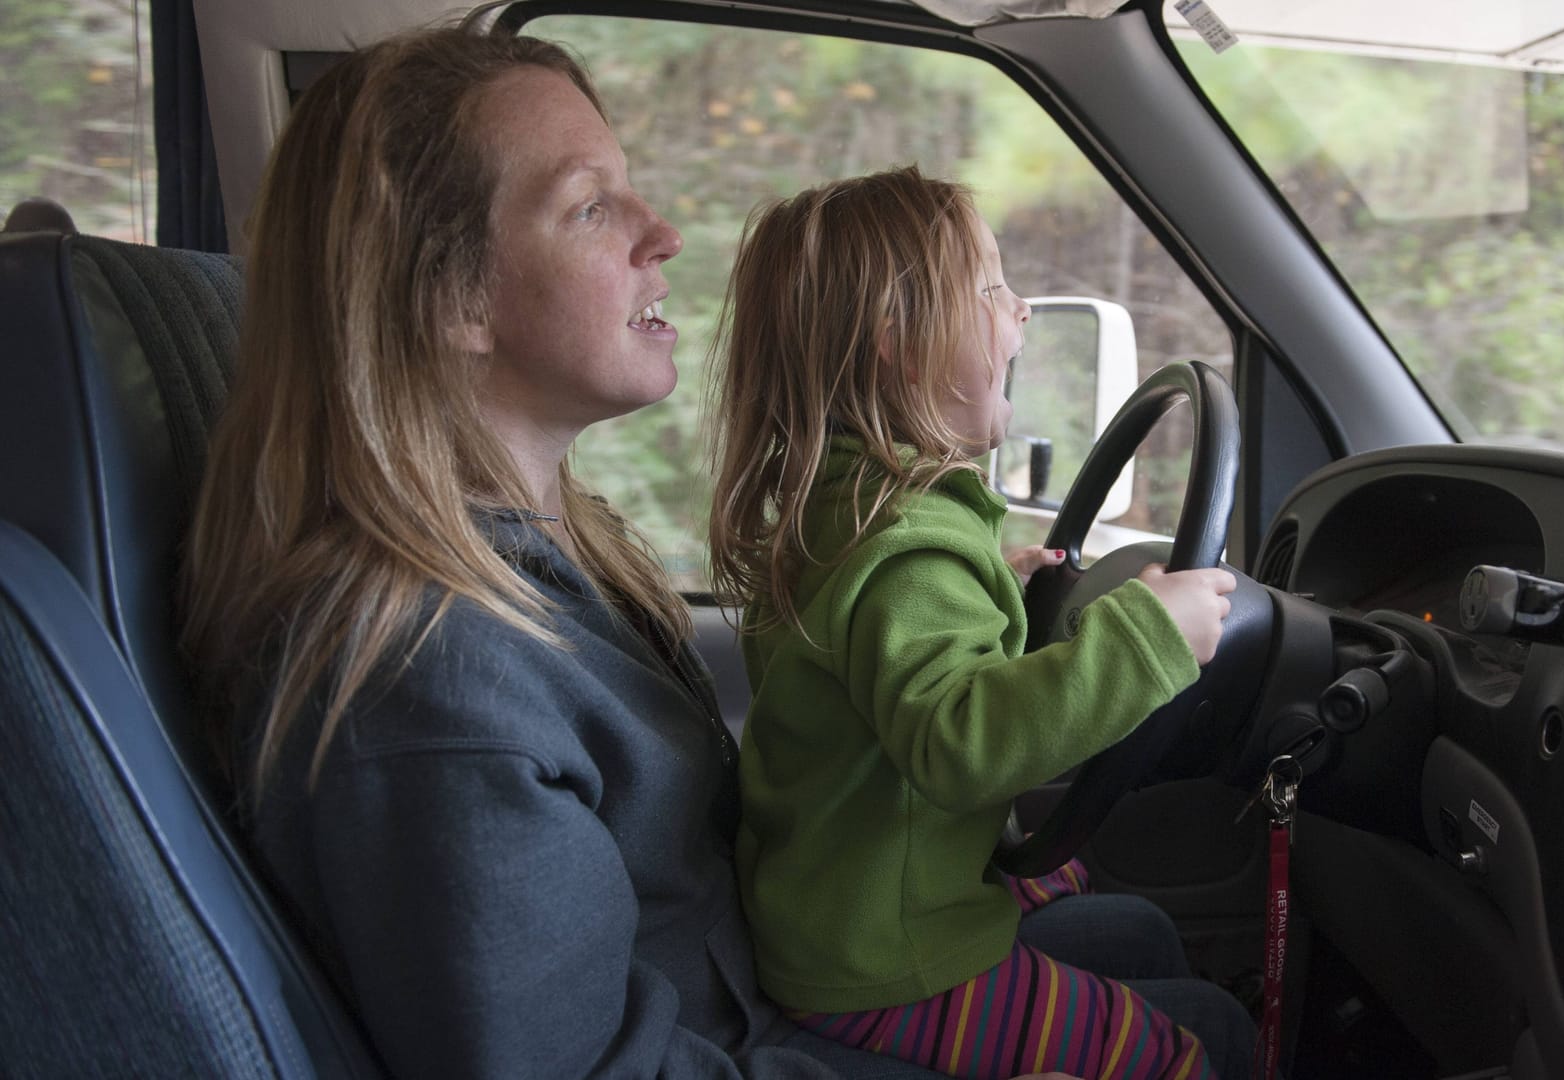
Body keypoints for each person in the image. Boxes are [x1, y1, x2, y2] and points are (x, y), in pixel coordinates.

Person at [178, 25, 1036, 1080]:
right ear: (454, 297)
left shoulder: (549, 567)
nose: (664, 233)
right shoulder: (430, 687)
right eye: (592, 205)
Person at [706, 167, 1252, 1079]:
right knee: (1191, 1050)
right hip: (889, 961)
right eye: (993, 287)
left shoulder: (852, 516)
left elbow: (877, 652)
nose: (1024, 309)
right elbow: (961, 742)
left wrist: (994, 587)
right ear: (901, 343)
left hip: (842, 903)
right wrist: (1149, 636)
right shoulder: (910, 548)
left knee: (1135, 926)